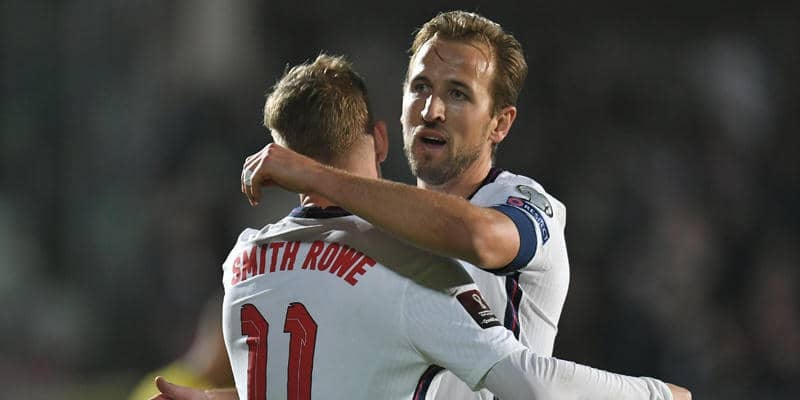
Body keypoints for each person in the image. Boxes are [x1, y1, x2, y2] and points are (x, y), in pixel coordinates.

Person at [151, 54, 689, 400]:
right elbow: (528, 383)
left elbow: (323, 375)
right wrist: (659, 395)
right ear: (382, 139)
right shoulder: (410, 268)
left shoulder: (242, 263)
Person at [241, 10, 568, 398]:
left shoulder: (526, 204)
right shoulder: (378, 231)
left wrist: (315, 175)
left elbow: (478, 238)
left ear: (500, 123)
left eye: (458, 94)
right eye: (420, 88)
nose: (431, 111)